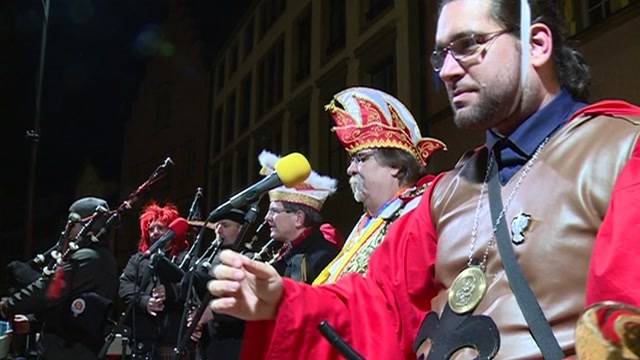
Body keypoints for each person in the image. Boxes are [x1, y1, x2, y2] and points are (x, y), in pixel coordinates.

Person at [207, 0, 640, 358]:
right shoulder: (444, 195)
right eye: (440, 55)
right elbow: (378, 307)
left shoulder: (621, 150)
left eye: (468, 45)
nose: (448, 71)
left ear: (537, 44)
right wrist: (281, 301)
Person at [313, 87, 446, 285]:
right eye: (352, 160)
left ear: (396, 166)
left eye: (361, 159)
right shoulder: (367, 220)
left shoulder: (419, 211)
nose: (350, 169)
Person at [0, 197, 118, 360]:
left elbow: (49, 290)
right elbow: (67, 304)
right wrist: (33, 321)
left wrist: (9, 305)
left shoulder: (84, 258)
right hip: (82, 347)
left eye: (72, 222)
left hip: (67, 349)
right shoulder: (104, 258)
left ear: (85, 225)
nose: (67, 228)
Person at [258, 150, 342, 283]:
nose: (267, 218)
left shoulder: (321, 256)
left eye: (274, 211)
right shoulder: (285, 249)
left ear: (298, 218)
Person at [118, 202, 189, 359]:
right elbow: (125, 286)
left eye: (160, 228)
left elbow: (192, 287)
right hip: (143, 342)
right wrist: (145, 301)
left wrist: (170, 292)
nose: (155, 232)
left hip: (173, 340)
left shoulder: (185, 258)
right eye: (151, 229)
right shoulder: (139, 259)